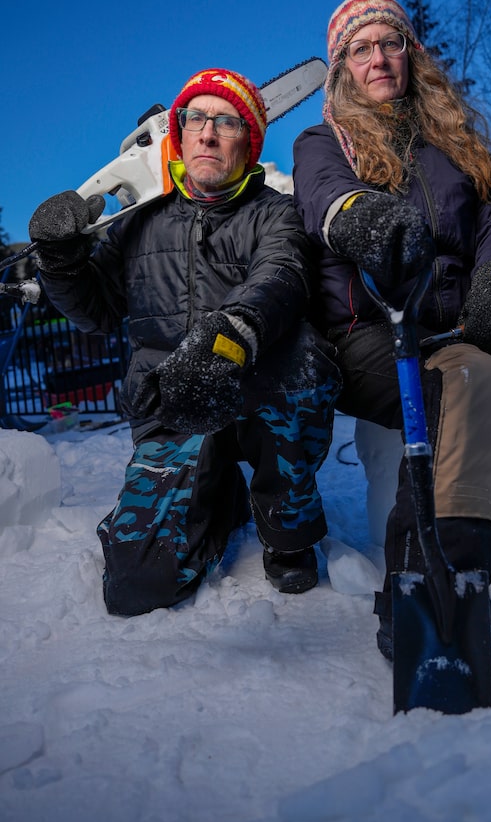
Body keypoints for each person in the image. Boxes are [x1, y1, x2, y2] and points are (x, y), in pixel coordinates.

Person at [293, 0, 491, 687]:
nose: (380, 59)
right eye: (362, 49)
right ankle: (440, 594)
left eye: (390, 43)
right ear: (342, 66)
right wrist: (367, 223)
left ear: (411, 53)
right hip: (382, 332)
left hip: (471, 322)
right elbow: (326, 200)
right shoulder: (324, 141)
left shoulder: (450, 138)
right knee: (468, 378)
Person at [29, 67, 341, 615]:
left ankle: (286, 526)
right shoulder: (137, 223)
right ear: (178, 133)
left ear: (249, 140)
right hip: (170, 407)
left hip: (254, 396)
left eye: (226, 121)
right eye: (195, 118)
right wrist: (60, 262)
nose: (208, 132)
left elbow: (282, 277)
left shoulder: (275, 213)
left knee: (303, 356)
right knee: (137, 587)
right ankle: (217, 497)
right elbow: (96, 312)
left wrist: (228, 335)